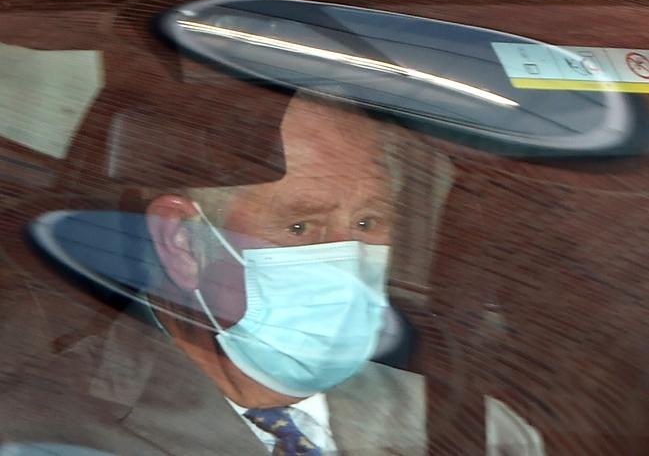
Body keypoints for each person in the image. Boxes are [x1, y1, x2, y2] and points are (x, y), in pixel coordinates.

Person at [0, 91, 427, 456]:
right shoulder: (45, 432)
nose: (348, 262)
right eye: (299, 228)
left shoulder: (457, 421)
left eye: (368, 223)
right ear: (182, 243)